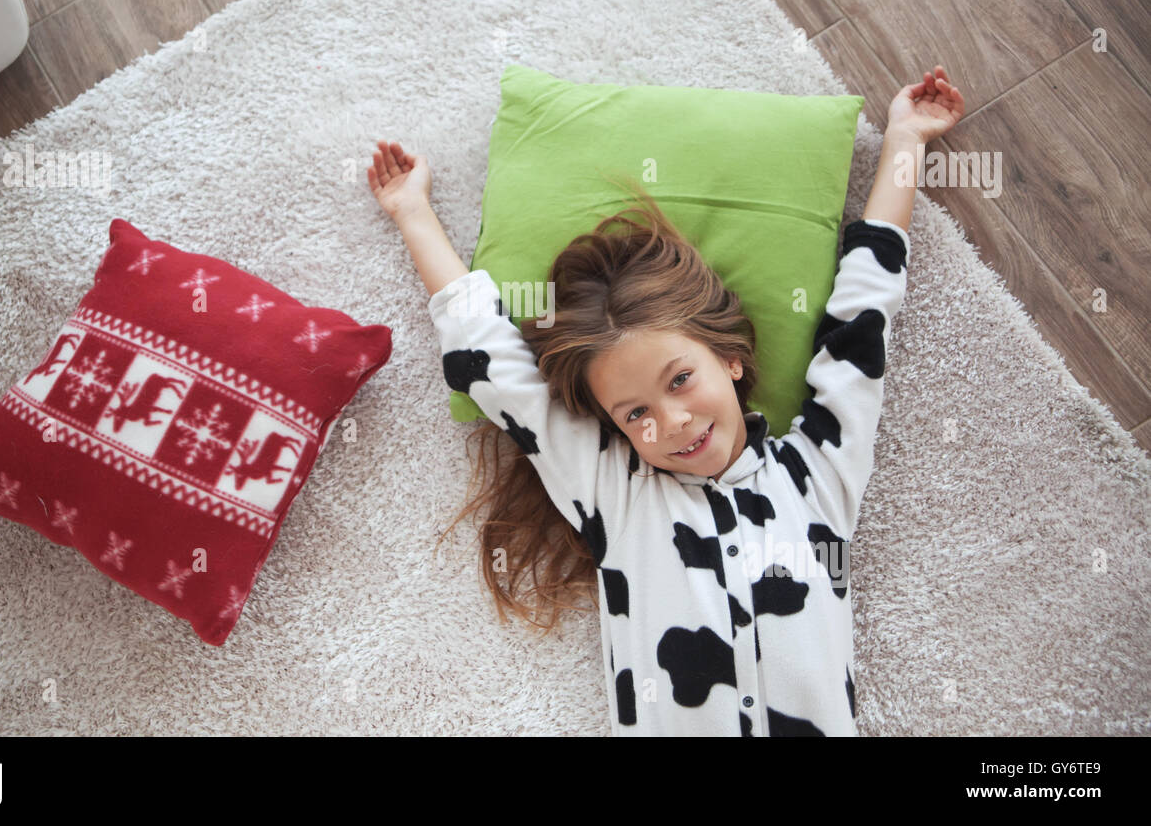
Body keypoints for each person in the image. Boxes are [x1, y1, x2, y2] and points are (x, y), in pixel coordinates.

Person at [367, 66, 964, 735]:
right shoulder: (615, 494)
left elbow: (864, 316)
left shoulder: (818, 475)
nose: (672, 422)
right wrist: (412, 212)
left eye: (681, 380)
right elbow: (494, 367)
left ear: (731, 357)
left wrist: (906, 140)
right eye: (635, 414)